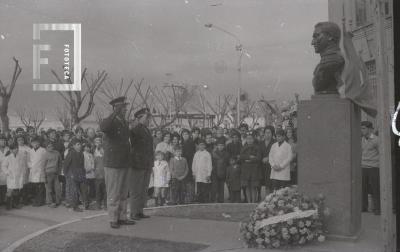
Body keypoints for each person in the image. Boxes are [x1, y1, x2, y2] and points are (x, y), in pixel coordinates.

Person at [100, 96, 134, 228]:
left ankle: (122, 216)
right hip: (113, 163)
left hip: (124, 162)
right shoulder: (111, 121)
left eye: (125, 107)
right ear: (117, 108)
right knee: (114, 193)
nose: (126, 109)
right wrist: (114, 113)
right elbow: (103, 127)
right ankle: (113, 219)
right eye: (123, 107)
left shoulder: (124, 122)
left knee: (123, 193)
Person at [129, 107, 153, 220]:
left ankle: (139, 211)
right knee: (136, 189)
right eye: (146, 117)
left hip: (146, 164)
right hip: (137, 164)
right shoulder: (135, 129)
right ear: (139, 118)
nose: (148, 119)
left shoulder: (146, 129)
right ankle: (134, 212)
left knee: (143, 189)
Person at [361, 121, 380, 215]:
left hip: (374, 167)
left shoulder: (376, 140)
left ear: (369, 129)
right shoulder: (362, 139)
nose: (362, 130)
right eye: (361, 128)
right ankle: (363, 207)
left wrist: (376, 163)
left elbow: (381, 153)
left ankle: (378, 209)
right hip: (363, 167)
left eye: (364, 128)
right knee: (363, 188)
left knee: (375, 188)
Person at [3, 143, 28, 210]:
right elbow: (4, 166)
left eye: (17, 148)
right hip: (11, 176)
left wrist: (23, 173)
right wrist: (8, 172)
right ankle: (8, 205)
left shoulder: (21, 156)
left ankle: (15, 204)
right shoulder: (8, 157)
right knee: (10, 191)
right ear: (11, 150)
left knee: (17, 190)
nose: (16, 149)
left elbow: (23, 166)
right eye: (14, 148)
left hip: (18, 176)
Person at [239, 133, 261, 203]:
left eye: (251, 138)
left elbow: (258, 158)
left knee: (253, 187)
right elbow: (241, 157)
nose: (249, 140)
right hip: (245, 170)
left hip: (254, 170)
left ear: (253, 139)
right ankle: (249, 202)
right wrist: (250, 157)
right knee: (247, 187)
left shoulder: (257, 147)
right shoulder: (243, 148)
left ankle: (253, 202)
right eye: (248, 139)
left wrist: (249, 159)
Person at [28, 136, 47, 207]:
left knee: (40, 187)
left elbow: (45, 160)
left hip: (40, 171)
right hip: (33, 171)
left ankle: (40, 201)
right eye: (33, 143)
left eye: (36, 142)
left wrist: (43, 168)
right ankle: (36, 200)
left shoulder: (43, 150)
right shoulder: (30, 151)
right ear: (31, 143)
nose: (35, 144)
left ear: (39, 143)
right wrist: (31, 166)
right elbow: (28, 161)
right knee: (35, 187)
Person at [43, 142, 62, 208]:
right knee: (49, 189)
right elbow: (43, 166)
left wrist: (59, 171)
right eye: (48, 146)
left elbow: (60, 162)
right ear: (46, 148)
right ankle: (49, 202)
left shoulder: (57, 153)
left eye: (51, 146)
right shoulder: (45, 155)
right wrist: (44, 176)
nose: (50, 147)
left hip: (55, 173)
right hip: (48, 173)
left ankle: (58, 201)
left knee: (58, 188)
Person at [259, 126, 276, 196]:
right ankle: (267, 200)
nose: (267, 134)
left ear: (272, 134)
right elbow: (258, 153)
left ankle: (272, 200)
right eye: (266, 132)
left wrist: (268, 158)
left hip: (272, 167)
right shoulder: (261, 143)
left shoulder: (275, 142)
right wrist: (261, 159)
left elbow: (277, 153)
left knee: (272, 185)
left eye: (269, 133)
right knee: (266, 185)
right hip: (263, 167)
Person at [211, 138, 229, 203]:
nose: (220, 147)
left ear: (224, 146)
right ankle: (213, 200)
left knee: (221, 187)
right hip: (215, 172)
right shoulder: (213, 153)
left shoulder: (226, 154)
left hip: (222, 173)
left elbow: (227, 164)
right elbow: (212, 163)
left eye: (222, 145)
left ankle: (221, 200)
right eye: (219, 145)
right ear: (217, 146)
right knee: (215, 187)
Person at [181, 129, 196, 203]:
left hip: (189, 163)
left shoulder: (190, 142)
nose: (185, 136)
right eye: (183, 134)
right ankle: (189, 197)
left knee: (189, 181)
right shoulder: (183, 142)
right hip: (185, 163)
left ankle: (190, 198)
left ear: (189, 135)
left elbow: (189, 154)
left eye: (186, 134)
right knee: (186, 181)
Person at [93, 135, 106, 210]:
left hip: (104, 173)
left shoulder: (103, 150)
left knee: (105, 190)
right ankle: (98, 204)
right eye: (96, 142)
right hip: (97, 174)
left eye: (99, 141)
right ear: (94, 143)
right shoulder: (93, 151)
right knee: (98, 190)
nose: (98, 143)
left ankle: (105, 204)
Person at [0, 134, 9, 206]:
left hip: (6, 171)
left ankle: (5, 200)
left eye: (4, 140)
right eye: (2, 140)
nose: (3, 142)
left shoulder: (8, 149)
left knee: (6, 186)